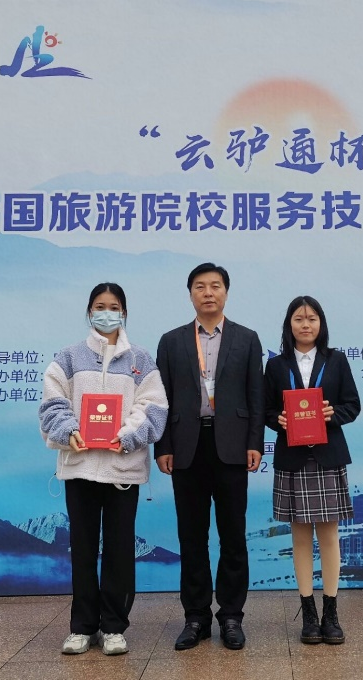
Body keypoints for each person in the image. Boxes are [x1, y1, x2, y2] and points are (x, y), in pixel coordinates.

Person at [38, 282, 168, 656]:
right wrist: (70, 431)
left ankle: (113, 627)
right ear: (89, 311)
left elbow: (154, 407)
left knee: (119, 549)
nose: (106, 313)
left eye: (113, 307)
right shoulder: (68, 357)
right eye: (99, 306)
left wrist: (127, 436)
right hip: (79, 467)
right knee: (81, 549)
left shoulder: (141, 360)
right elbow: (52, 403)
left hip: (122, 470)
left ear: (123, 313)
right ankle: (81, 627)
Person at [154, 263, 265, 651]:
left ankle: (232, 616)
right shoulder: (171, 341)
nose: (208, 292)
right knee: (192, 537)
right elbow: (160, 399)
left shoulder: (247, 339)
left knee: (233, 536)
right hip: (187, 447)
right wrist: (163, 446)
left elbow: (256, 396)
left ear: (226, 293)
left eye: (215, 286)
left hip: (232, 446)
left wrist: (255, 442)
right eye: (200, 286)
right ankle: (196, 617)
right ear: (190, 294)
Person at [264, 296, 360, 645]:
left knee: (329, 536)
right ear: (289, 325)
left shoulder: (336, 360)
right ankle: (308, 613)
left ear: (321, 324)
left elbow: (353, 404)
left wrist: (333, 415)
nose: (305, 325)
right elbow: (265, 409)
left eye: (312, 318)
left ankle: (331, 613)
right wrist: (278, 419)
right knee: (300, 538)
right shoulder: (276, 365)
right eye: (299, 319)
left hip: (327, 456)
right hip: (292, 457)